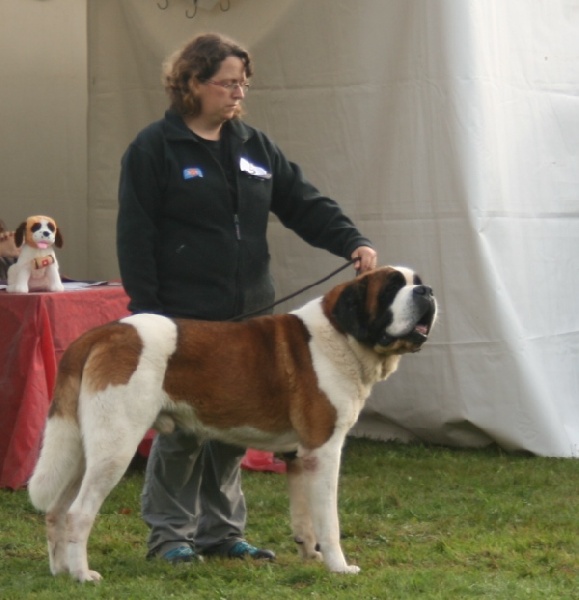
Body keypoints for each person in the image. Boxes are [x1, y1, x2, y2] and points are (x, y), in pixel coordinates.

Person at [116, 32, 377, 565]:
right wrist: (147, 309)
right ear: (192, 82)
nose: (239, 93)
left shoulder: (255, 146)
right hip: (182, 317)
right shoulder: (154, 148)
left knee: (233, 428)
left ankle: (221, 532)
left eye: (243, 83)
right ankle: (170, 536)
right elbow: (135, 235)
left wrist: (350, 240)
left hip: (250, 313)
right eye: (227, 83)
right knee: (183, 432)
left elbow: (302, 202)